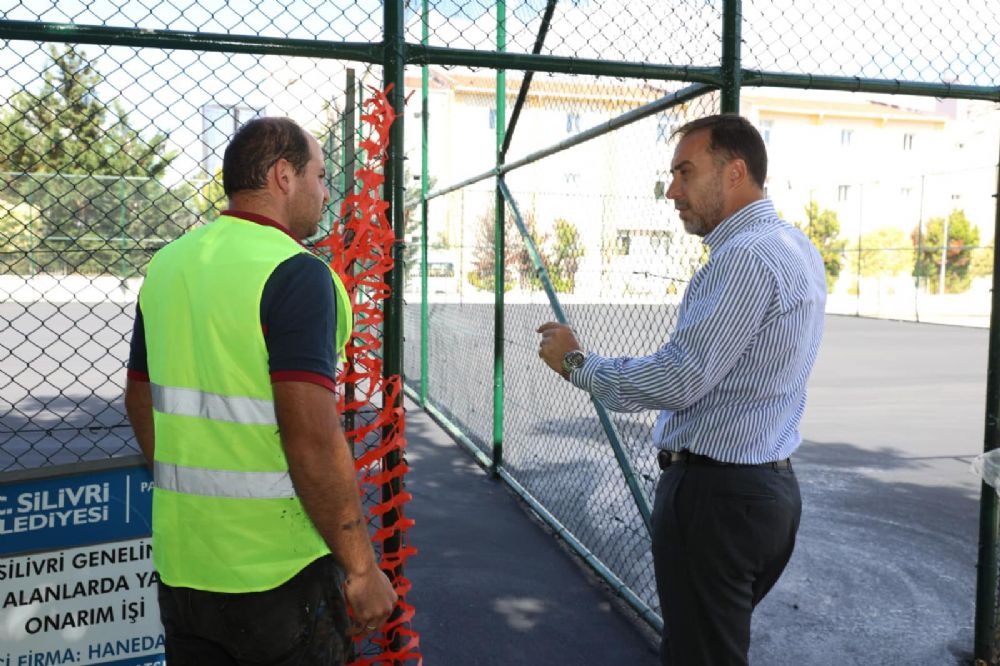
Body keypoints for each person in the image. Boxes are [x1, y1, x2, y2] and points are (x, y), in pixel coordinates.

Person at [536, 114, 826, 666]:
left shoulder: (746, 258)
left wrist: (578, 364)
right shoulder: (796, 247)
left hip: (719, 500)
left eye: (685, 173)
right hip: (768, 493)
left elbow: (679, 377)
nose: (672, 190)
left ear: (736, 173)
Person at [124, 116, 397, 664]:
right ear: (283, 176)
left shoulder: (168, 265)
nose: (326, 191)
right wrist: (363, 568)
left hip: (185, 564)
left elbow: (140, 397)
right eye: (320, 175)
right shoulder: (297, 273)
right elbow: (312, 438)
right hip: (278, 574)